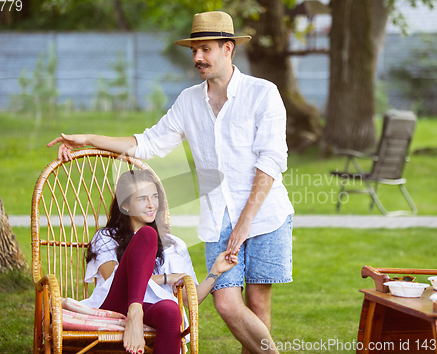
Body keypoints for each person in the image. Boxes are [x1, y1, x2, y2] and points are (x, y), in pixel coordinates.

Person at [48, 11, 294, 354]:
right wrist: (88, 138)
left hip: (265, 213)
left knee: (257, 301)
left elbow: (270, 162)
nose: (197, 58)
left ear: (228, 49)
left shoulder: (262, 94)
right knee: (226, 304)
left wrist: (245, 223)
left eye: (205, 49)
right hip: (218, 216)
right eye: (194, 51)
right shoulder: (189, 101)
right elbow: (145, 143)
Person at [82, 169, 238, 354]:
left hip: (152, 309)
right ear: (125, 206)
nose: (151, 205)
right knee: (147, 234)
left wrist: (216, 271)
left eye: (154, 197)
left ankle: (138, 312)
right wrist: (167, 278)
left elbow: (189, 299)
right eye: (142, 199)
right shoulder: (106, 237)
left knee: (171, 310)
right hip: (116, 304)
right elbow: (113, 278)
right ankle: (135, 312)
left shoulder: (174, 245)